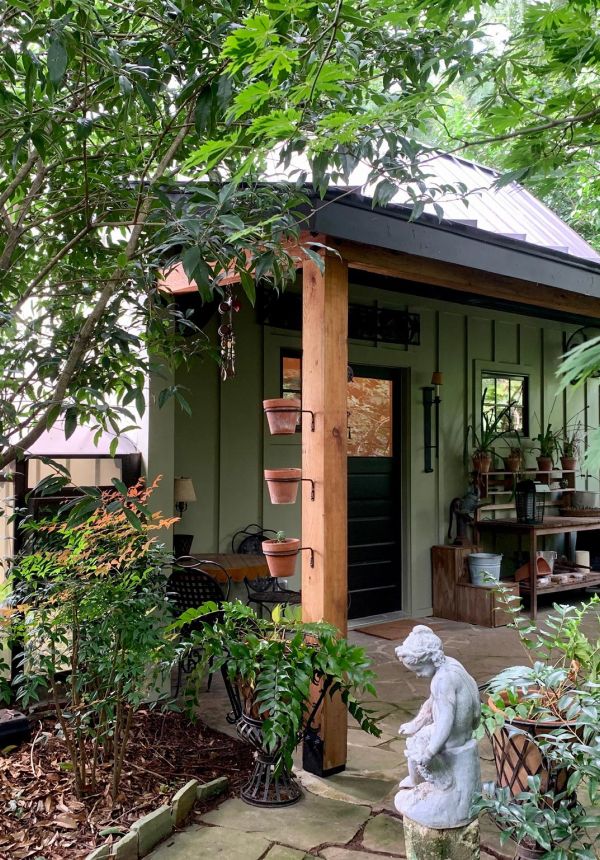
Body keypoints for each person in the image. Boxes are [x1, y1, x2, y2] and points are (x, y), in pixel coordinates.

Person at [394, 625, 481, 828]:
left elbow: (445, 721)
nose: (417, 675)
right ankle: (423, 779)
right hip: (464, 732)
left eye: (419, 670)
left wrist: (430, 751)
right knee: (418, 735)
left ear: (430, 658)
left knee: (416, 746)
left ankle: (425, 782)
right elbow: (433, 703)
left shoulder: (442, 681)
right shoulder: (451, 665)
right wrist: (415, 723)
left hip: (453, 737)